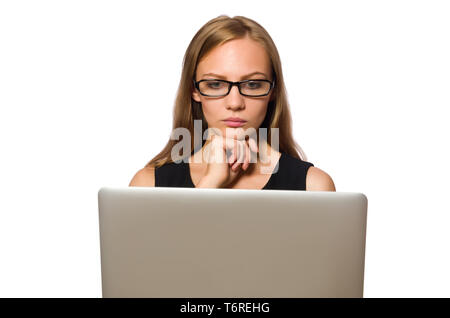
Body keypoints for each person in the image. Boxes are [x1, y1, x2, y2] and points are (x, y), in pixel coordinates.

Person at [129, 15, 335, 191]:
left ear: (273, 90)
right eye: (216, 84)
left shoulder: (313, 186)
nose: (235, 103)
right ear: (194, 90)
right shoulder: (148, 185)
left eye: (253, 84)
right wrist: (209, 184)